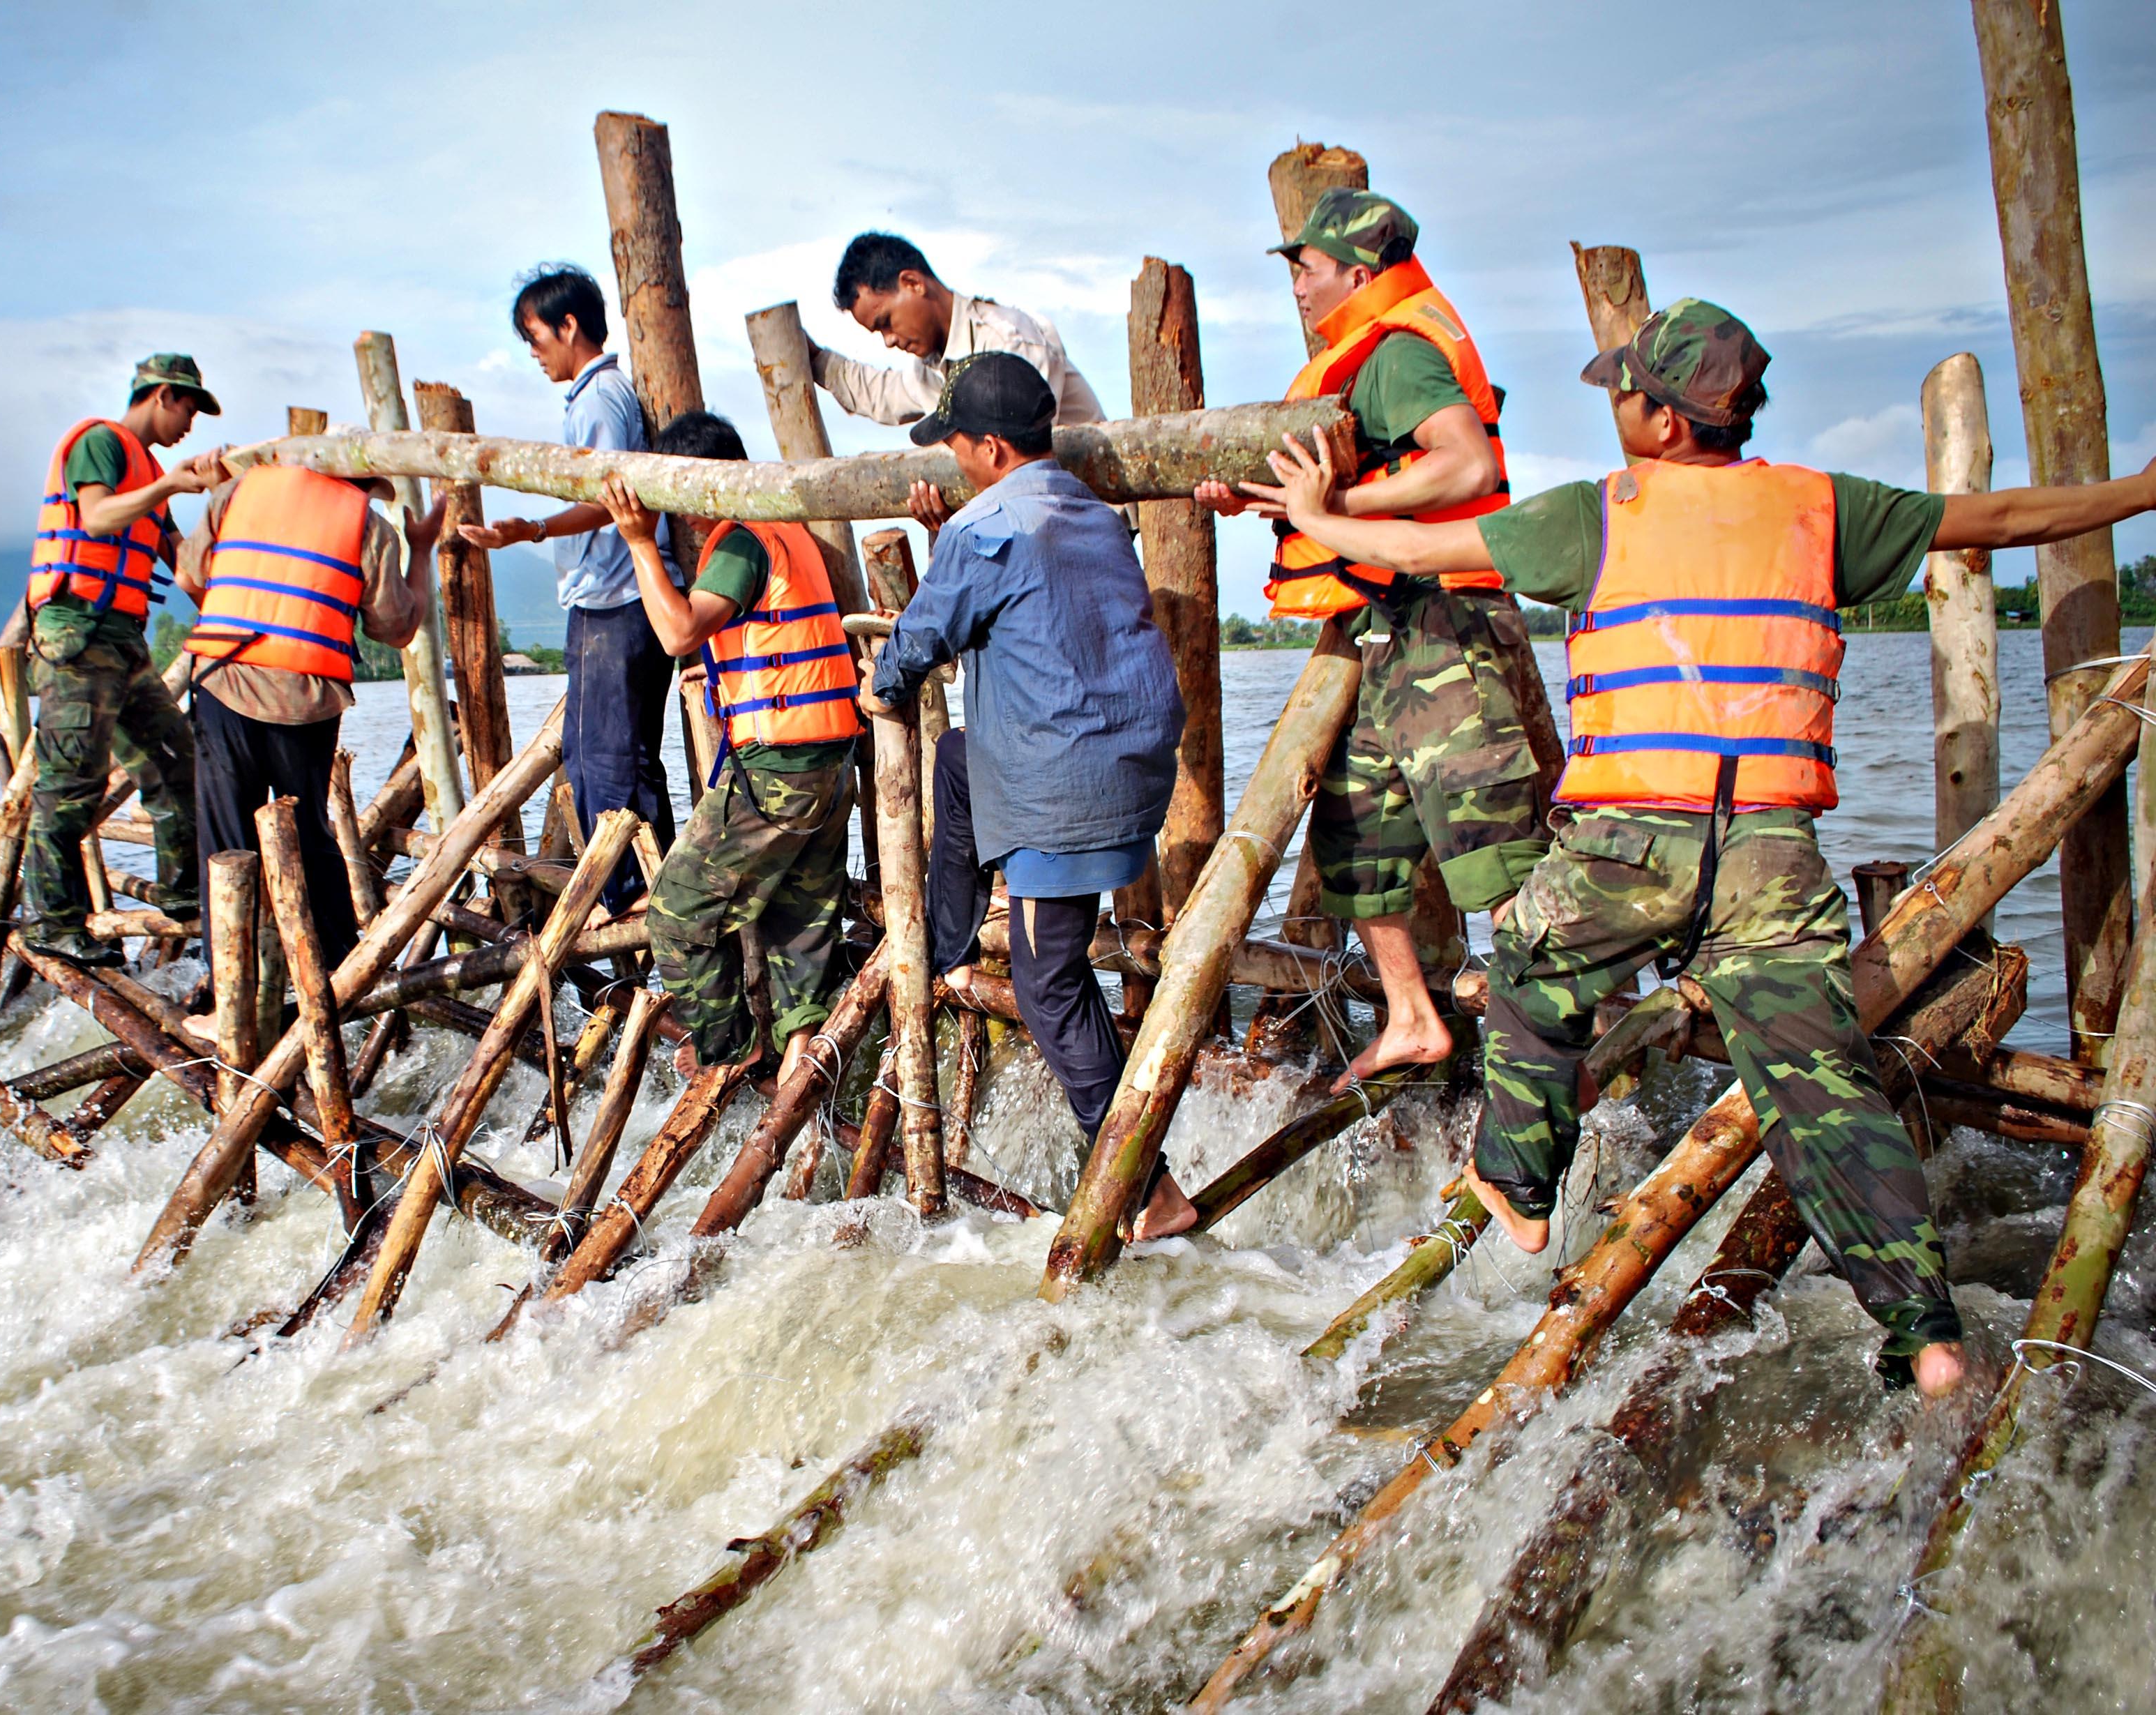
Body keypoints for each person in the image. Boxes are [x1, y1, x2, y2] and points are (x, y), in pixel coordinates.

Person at [1262, 297, 2156, 1398]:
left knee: (1530, 967)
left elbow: (1415, 546)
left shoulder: (1604, 513)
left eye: (1628, 391)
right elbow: (2007, 514)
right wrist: (2138, 491)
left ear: (1670, 421)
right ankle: (1925, 1329)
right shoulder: (1824, 509)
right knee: (1827, 1094)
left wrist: (1316, 508)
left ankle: (1520, 1190)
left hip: (1627, 846)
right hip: (1768, 858)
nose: (1618, 405)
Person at [1199, 188, 1541, 1091]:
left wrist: (1331, 507)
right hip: (1385, 629)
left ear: (1358, 271)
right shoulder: (1359, 358)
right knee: (1357, 838)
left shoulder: (1395, 354)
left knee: (1492, 846)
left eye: (1306, 269)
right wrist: (1268, 499)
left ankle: (1554, 1036)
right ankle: (1415, 1016)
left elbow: (1465, 461)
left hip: (1443, 625)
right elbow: (1344, 475)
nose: (1300, 288)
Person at [861, 354, 1197, 1238]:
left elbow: (921, 636)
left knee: (1050, 978)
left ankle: (1147, 1184)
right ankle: (945, 941)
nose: (952, 462)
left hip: (1066, 785)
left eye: (957, 447)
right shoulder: (1090, 510)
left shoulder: (987, 526)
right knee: (960, 760)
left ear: (989, 446)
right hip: (1130, 766)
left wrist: (881, 687)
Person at [598, 411, 861, 1082]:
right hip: (831, 768)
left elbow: (678, 631)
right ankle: (800, 1073)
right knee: (800, 926)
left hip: (780, 775)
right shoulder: (788, 531)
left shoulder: (741, 539)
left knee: (676, 913)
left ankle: (728, 1047)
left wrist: (636, 542)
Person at [458, 265, 675, 914]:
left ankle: (636, 892)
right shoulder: (592, 397)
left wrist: (534, 528)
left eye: (535, 336)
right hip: (604, 597)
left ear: (569, 325)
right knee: (595, 752)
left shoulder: (601, 397)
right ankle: (638, 884)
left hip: (617, 597)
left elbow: (609, 495)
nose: (533, 352)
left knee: (611, 757)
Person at [174, 460, 446, 967]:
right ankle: (339, 969)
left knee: (226, 842)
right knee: (309, 835)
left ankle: (227, 983)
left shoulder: (236, 491)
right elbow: (397, 627)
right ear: (364, 482)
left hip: (223, 684)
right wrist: (424, 547)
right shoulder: (369, 526)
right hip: (303, 699)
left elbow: (189, 574)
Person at [21, 354, 220, 969]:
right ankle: (52, 924)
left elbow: (185, 565)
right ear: (162, 395)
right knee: (71, 785)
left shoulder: (153, 473)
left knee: (178, 762)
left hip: (124, 641)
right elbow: (97, 516)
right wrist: (167, 486)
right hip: (77, 634)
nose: (191, 422)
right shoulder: (102, 443)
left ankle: (185, 896)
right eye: (190, 407)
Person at [811, 232, 1108, 431]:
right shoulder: (931, 369)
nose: (889, 340)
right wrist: (816, 361)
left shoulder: (1009, 340)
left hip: (1090, 519)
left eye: (886, 321)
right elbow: (884, 394)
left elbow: (1016, 456)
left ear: (913, 283)